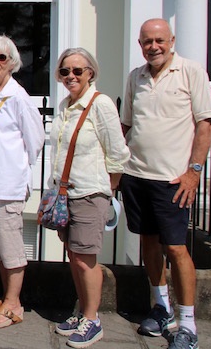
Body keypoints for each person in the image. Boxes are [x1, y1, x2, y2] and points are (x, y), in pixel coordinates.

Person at [120, 19, 211, 349]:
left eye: (159, 40)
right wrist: (116, 168)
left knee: (176, 248)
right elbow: (126, 126)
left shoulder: (191, 71)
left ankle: (188, 324)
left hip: (173, 180)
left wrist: (194, 172)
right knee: (148, 243)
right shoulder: (136, 76)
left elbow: (205, 124)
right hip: (136, 176)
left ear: (171, 40)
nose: (153, 46)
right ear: (140, 43)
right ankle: (162, 309)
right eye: (147, 41)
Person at [50, 48, 130, 348]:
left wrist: (107, 191)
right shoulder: (65, 105)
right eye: (65, 71)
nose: (71, 76)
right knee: (74, 255)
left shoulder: (101, 104)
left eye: (77, 71)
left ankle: (93, 320)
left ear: (90, 73)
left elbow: (118, 154)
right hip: (65, 193)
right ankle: (84, 311)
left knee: (86, 260)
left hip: (89, 193)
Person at [0, 36, 44, 328]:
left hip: (8, 184)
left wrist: (15, 170)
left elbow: (36, 141)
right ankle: (5, 297)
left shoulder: (18, 97)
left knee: (12, 246)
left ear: (12, 62)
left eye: (2, 57)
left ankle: (15, 305)